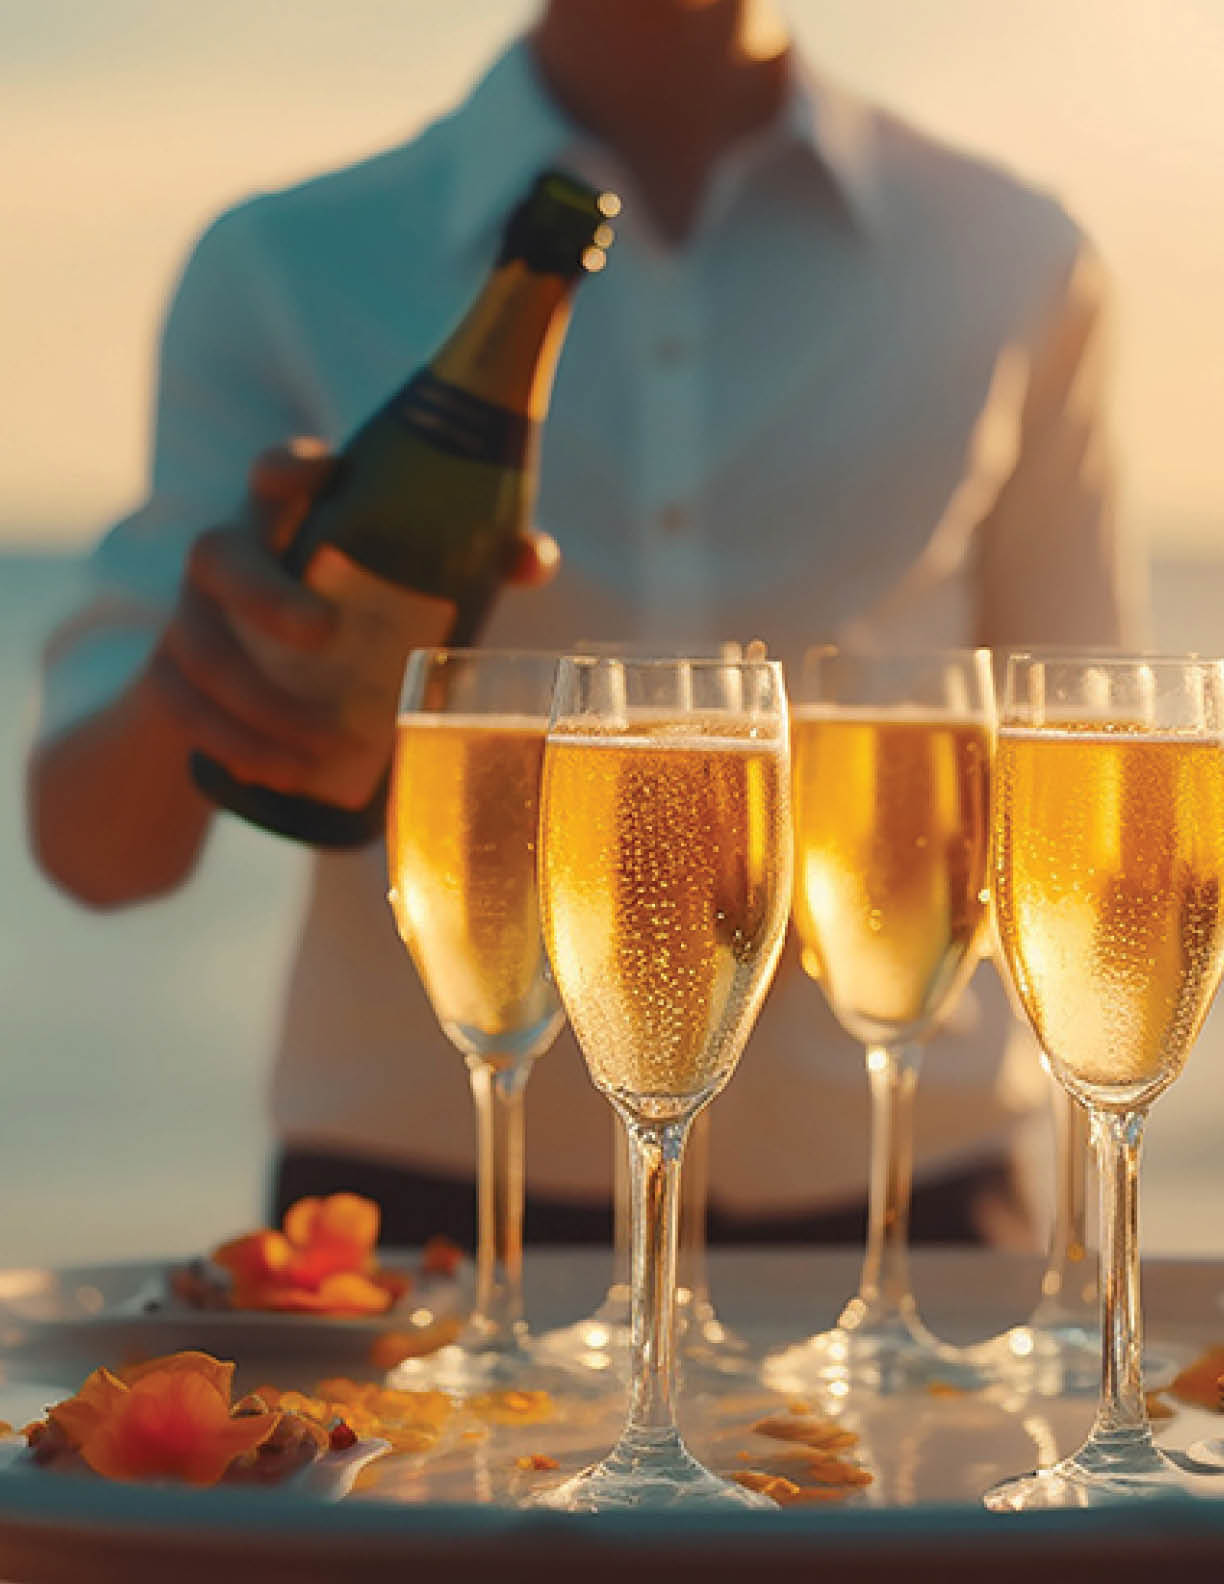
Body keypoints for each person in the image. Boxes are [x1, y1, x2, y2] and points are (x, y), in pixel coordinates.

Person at [26, 0, 1144, 1248]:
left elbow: (1085, 765)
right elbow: (95, 852)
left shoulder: (1015, 258)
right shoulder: (287, 262)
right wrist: (199, 682)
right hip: (430, 1200)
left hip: (909, 1198)